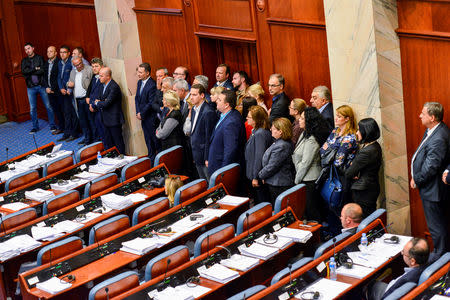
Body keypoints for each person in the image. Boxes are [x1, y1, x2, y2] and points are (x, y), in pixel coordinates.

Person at [410, 102, 449, 255]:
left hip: (434, 191)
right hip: (432, 188)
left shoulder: (439, 137)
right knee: (439, 226)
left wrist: (417, 180)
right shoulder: (433, 130)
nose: (420, 115)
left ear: (432, 117)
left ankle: (441, 260)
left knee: (437, 228)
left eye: (423, 113)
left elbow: (431, 167)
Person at [319, 104, 358, 235]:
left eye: (339, 116)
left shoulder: (349, 137)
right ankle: (332, 232)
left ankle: (342, 235)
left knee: (338, 205)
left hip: (342, 177)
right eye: (336, 115)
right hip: (330, 173)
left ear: (347, 119)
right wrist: (332, 150)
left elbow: (338, 161)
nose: (336, 118)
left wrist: (330, 150)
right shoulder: (335, 131)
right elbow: (322, 150)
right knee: (329, 205)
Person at [292, 107, 329, 221]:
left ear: (309, 121)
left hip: (310, 179)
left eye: (303, 119)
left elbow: (305, 163)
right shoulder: (305, 134)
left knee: (312, 209)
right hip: (303, 176)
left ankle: (319, 235)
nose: (299, 121)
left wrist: (296, 181)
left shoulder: (312, 139)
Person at [345, 118, 382, 218]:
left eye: (359, 130)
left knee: (366, 219)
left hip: (364, 191)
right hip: (370, 187)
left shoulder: (367, 151)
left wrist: (353, 170)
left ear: (366, 132)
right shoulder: (374, 145)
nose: (357, 133)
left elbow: (349, 173)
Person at [207, 90, 246, 176]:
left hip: (221, 168)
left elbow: (230, 150)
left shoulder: (231, 122)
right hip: (216, 163)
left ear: (226, 105)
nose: (216, 100)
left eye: (220, 100)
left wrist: (223, 172)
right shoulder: (224, 115)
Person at [183, 84, 217, 181]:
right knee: (203, 181)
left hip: (205, 156)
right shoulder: (193, 110)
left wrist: (207, 158)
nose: (191, 98)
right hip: (197, 153)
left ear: (202, 95)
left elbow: (209, 137)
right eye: (191, 95)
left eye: (194, 95)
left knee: (209, 183)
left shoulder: (208, 112)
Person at [21, 43, 57, 134]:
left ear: (33, 48)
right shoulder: (24, 61)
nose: (27, 51)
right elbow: (24, 72)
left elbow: (42, 70)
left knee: (48, 106)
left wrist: (32, 70)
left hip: (41, 86)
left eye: (29, 48)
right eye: (25, 49)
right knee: (32, 108)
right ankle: (35, 127)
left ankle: (52, 125)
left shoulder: (40, 58)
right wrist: (35, 69)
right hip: (30, 87)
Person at [258, 117, 295, 204]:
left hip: (279, 184)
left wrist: (261, 175)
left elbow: (272, 166)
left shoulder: (282, 146)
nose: (271, 129)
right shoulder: (280, 142)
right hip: (275, 182)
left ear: (280, 131)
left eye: (273, 128)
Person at [93, 67, 125, 154]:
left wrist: (98, 103)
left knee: (118, 142)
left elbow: (107, 103)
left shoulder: (114, 87)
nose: (99, 78)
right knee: (109, 142)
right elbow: (98, 98)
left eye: (101, 76)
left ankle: (122, 160)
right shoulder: (101, 85)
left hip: (114, 120)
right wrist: (101, 102)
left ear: (108, 76)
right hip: (105, 119)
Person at [245, 105, 272, 204]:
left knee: (260, 202)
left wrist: (255, 177)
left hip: (258, 176)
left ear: (256, 120)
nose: (247, 118)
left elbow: (259, 157)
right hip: (254, 173)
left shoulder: (260, 133)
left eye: (249, 117)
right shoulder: (257, 131)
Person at [135, 63, 160, 163]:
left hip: (151, 118)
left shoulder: (152, 85)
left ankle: (158, 162)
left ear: (147, 73)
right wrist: (138, 112)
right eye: (138, 72)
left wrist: (142, 113)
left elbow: (151, 103)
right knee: (148, 141)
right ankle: (151, 161)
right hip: (143, 117)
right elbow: (137, 98)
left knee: (155, 141)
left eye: (141, 72)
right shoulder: (139, 83)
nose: (138, 74)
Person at [67, 57, 93, 145]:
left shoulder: (89, 69)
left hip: (86, 99)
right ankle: (87, 139)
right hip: (77, 100)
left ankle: (95, 139)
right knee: (83, 121)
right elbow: (69, 82)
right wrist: (68, 84)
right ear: (74, 65)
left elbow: (93, 84)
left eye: (80, 63)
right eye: (76, 65)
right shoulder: (73, 72)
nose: (79, 66)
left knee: (91, 120)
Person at [57, 45, 79, 142]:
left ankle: (74, 133)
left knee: (73, 113)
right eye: (61, 52)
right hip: (63, 92)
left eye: (64, 52)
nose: (62, 54)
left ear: (69, 53)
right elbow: (58, 77)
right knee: (66, 113)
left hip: (71, 92)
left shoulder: (71, 62)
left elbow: (74, 77)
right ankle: (67, 133)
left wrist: (68, 89)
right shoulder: (60, 63)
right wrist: (61, 88)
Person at [44, 45, 63, 135]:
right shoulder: (46, 63)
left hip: (58, 91)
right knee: (56, 110)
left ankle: (65, 129)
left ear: (56, 53)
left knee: (62, 110)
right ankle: (60, 127)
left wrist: (53, 89)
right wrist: (47, 87)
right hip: (49, 91)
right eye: (48, 51)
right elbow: (44, 77)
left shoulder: (59, 62)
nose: (49, 53)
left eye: (51, 51)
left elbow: (59, 78)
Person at [86, 57, 105, 142]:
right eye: (93, 66)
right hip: (92, 107)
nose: (94, 68)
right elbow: (92, 92)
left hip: (100, 109)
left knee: (103, 132)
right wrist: (90, 102)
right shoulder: (94, 77)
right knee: (96, 129)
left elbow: (100, 95)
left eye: (96, 66)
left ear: (102, 67)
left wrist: (92, 104)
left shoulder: (103, 79)